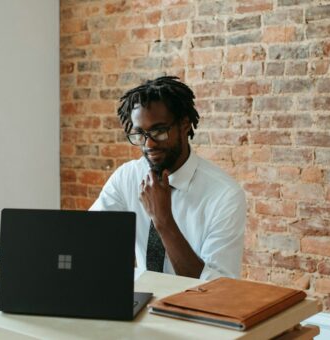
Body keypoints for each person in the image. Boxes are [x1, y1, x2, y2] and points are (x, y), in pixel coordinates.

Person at [90, 76, 246, 280]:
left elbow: (216, 289)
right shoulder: (126, 177)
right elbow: (90, 237)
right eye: (140, 134)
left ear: (184, 125)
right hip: (141, 301)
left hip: (194, 307)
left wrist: (163, 220)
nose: (149, 144)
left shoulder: (224, 195)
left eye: (159, 131)